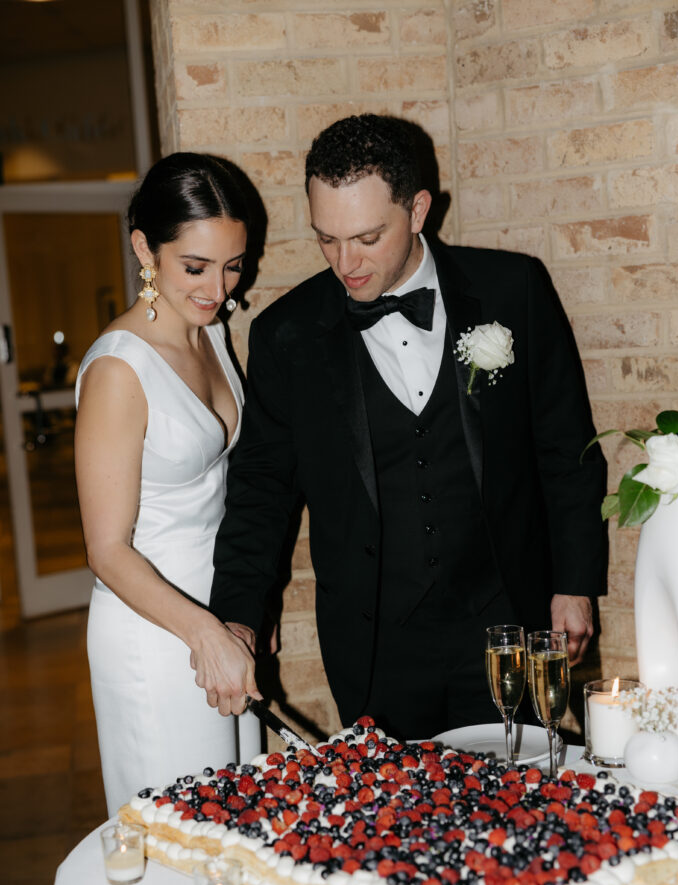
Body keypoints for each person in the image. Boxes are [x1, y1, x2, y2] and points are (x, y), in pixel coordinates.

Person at [210, 114, 607, 742]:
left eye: (367, 237)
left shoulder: (513, 290)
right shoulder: (286, 334)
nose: (346, 263)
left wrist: (576, 585)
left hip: (507, 625)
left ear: (418, 210)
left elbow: (566, 451)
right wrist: (236, 617)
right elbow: (261, 489)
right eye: (327, 239)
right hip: (375, 648)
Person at [75, 152, 261, 816]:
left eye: (233, 264)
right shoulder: (119, 370)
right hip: (153, 633)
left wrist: (233, 617)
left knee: (238, 823)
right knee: (185, 840)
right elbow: (105, 549)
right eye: (195, 267)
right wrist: (202, 633)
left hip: (215, 622)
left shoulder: (211, 333)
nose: (218, 287)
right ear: (144, 250)